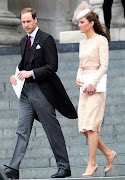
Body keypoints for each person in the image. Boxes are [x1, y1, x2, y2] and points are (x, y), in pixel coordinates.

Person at [4, 7, 77, 179]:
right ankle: (13, 169)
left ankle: (64, 166)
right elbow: (24, 66)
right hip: (25, 91)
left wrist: (32, 73)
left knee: (52, 129)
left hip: (42, 90)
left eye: (28, 21)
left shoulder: (46, 39)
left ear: (36, 20)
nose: (26, 25)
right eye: (23, 22)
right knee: (21, 130)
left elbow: (52, 66)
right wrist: (16, 76)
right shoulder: (23, 41)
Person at [72, 1, 119, 177]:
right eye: (79, 23)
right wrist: (78, 77)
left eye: (82, 22)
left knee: (91, 126)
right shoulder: (82, 43)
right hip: (84, 86)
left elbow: (104, 65)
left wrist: (93, 81)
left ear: (91, 23)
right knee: (84, 128)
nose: (79, 25)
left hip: (96, 86)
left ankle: (92, 163)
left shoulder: (101, 40)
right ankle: (108, 153)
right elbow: (80, 65)